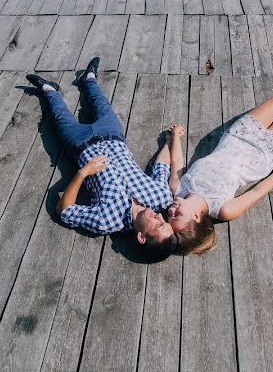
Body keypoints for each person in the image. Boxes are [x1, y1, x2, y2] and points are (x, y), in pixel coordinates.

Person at [27, 57, 177, 262]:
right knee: (100, 103)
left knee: (59, 115)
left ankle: (47, 89)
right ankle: (88, 78)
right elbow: (162, 168)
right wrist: (170, 141)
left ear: (141, 237)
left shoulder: (107, 220)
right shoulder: (161, 198)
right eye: (164, 220)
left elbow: (65, 211)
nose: (160, 216)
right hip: (112, 136)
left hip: (80, 144)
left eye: (158, 224)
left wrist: (82, 173)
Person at [166, 70, 273, 254]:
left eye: (169, 215)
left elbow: (177, 161)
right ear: (195, 217)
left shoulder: (177, 188)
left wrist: (175, 137)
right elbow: (255, 193)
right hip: (261, 155)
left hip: (237, 136)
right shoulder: (222, 209)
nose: (171, 210)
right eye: (176, 215)